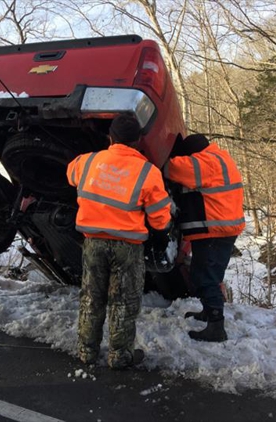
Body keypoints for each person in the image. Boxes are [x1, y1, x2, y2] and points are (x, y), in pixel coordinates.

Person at [67, 113, 172, 369]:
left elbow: (70, 175)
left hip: (93, 244)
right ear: (137, 141)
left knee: (92, 296)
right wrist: (160, 231)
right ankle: (119, 356)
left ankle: (86, 351)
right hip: (127, 247)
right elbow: (160, 218)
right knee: (123, 301)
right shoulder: (148, 172)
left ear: (110, 137)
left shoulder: (87, 162)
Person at [164, 134, 245, 342]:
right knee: (211, 274)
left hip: (214, 230)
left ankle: (216, 326)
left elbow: (171, 168)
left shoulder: (205, 163)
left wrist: (167, 154)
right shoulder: (220, 157)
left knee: (204, 277)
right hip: (222, 229)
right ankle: (209, 312)